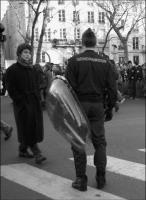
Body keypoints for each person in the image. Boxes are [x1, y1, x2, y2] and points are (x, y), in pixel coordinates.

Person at [65, 28, 117, 191]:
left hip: (79, 105)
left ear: (82, 42)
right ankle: (101, 177)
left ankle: (81, 180)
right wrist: (109, 108)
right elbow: (112, 89)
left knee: (78, 142)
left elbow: (68, 88)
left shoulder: (74, 61)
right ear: (96, 43)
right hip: (97, 105)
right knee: (100, 142)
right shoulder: (105, 62)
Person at [5, 43, 46, 164]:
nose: (28, 55)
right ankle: (37, 153)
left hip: (34, 103)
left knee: (32, 127)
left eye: (29, 52)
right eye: (25, 52)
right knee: (27, 128)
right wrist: (20, 100)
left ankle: (22, 149)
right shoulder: (12, 70)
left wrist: (39, 97)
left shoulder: (33, 69)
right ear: (19, 54)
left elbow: (40, 84)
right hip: (22, 105)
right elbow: (11, 88)